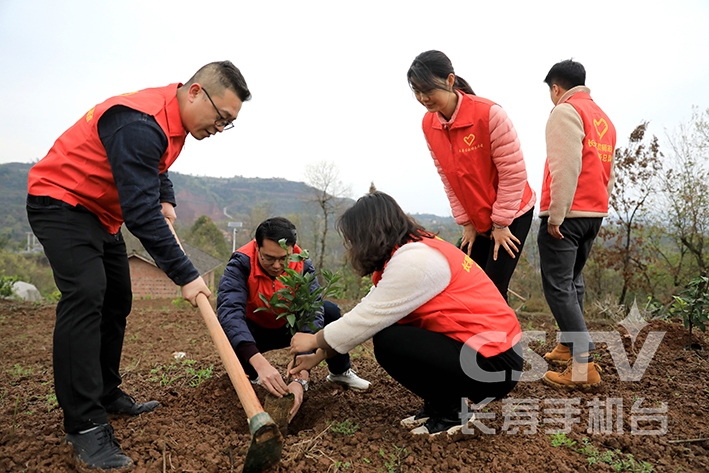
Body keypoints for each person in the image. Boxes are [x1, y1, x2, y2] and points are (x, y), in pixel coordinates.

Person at [26, 61, 251, 471]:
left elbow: (154, 166)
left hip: (99, 213)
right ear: (197, 92)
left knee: (117, 298)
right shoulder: (138, 122)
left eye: (228, 124)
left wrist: (166, 195)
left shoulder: (172, 118)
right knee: (87, 294)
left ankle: (106, 393)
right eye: (221, 118)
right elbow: (141, 214)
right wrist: (186, 275)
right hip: (61, 201)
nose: (220, 129)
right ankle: (85, 426)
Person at [289, 192, 523, 436]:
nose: (352, 247)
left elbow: (368, 318)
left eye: (354, 239)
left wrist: (314, 339)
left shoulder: (415, 260)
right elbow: (372, 304)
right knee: (392, 333)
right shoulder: (412, 250)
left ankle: (453, 414)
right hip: (488, 352)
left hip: (494, 363)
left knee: (391, 342)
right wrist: (320, 354)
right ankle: (439, 406)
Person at [407, 50, 536, 301]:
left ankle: (503, 341)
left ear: (450, 80)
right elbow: (447, 176)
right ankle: (471, 340)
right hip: (477, 217)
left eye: (428, 90)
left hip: (512, 212)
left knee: (492, 289)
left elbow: (514, 173)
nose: (423, 98)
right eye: (416, 91)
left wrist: (500, 224)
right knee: (464, 281)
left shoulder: (488, 114)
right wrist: (467, 222)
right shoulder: (429, 124)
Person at [216, 217, 370, 421]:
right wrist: (260, 364)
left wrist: (301, 373)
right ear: (257, 247)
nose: (277, 265)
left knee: (329, 310)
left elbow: (312, 310)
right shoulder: (241, 262)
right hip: (255, 330)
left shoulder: (302, 262)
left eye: (283, 258)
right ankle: (252, 376)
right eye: (269, 258)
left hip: (289, 329)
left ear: (292, 249)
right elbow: (230, 311)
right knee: (229, 331)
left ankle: (340, 371)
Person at [537, 59, 616, 389]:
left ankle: (583, 366)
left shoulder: (565, 112)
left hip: (567, 215)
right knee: (573, 282)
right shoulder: (603, 119)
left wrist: (557, 215)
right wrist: (599, 208)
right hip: (593, 213)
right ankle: (568, 346)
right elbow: (606, 172)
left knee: (557, 286)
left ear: (556, 88)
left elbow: (564, 167)